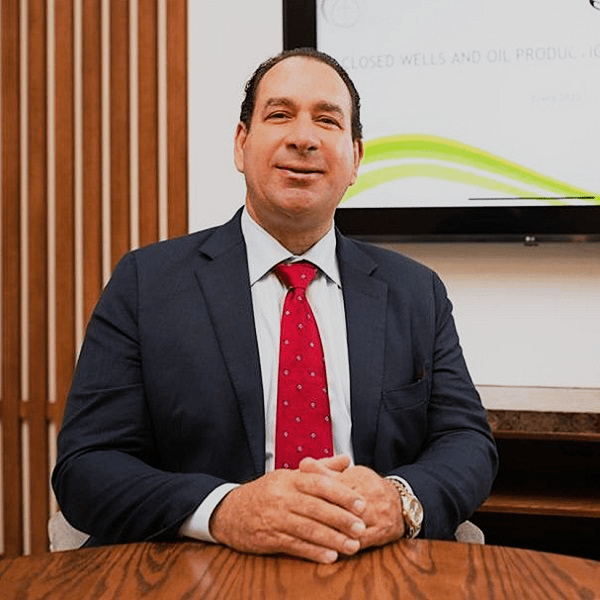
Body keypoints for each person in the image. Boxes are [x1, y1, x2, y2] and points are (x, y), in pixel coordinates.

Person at [52, 48, 497, 564]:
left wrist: (396, 500)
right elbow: (87, 465)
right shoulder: (145, 283)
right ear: (241, 144)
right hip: (198, 570)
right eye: (280, 114)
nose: (303, 138)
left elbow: (467, 442)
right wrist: (224, 509)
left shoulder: (416, 291)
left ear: (355, 158)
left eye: (327, 120)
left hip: (371, 566)